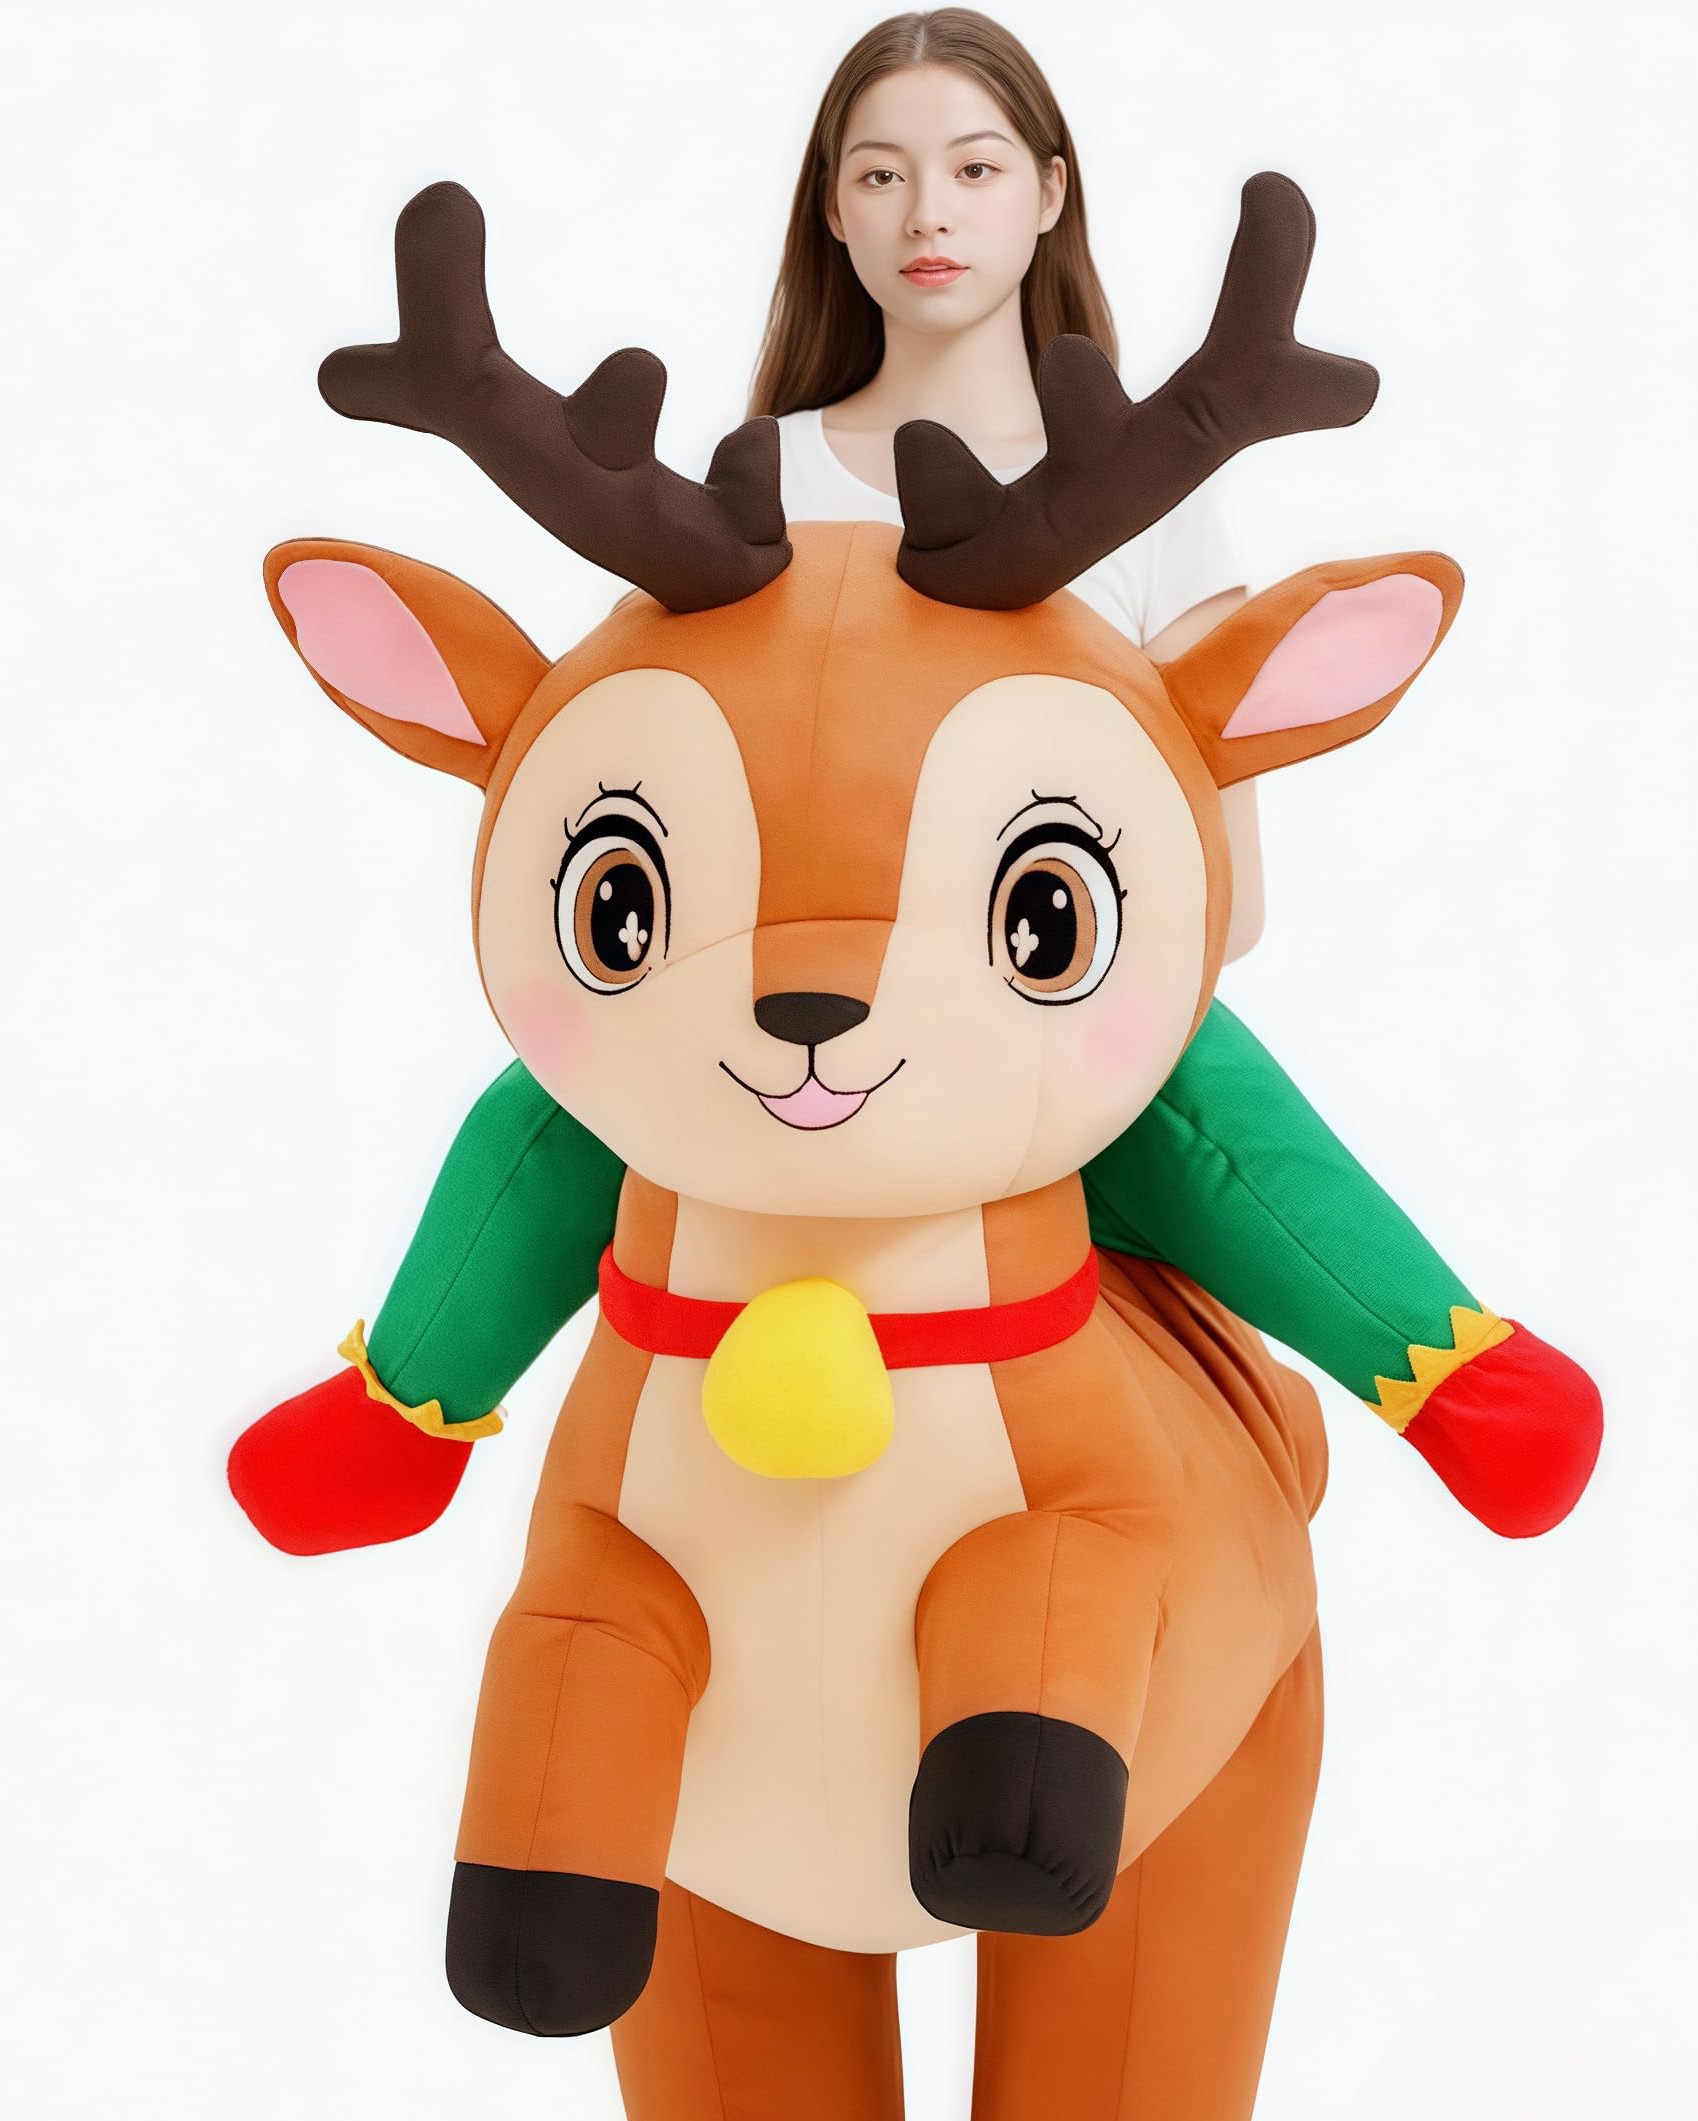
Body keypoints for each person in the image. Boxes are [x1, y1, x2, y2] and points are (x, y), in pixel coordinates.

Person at [232, 12, 1594, 1559]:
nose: (926, 213)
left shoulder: (1155, 513)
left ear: (1051, 191)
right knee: (557, 1092)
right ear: (831, 208)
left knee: (1213, 1093)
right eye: (880, 174)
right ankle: (400, 1415)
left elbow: (1231, 902)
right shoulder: (751, 479)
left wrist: (1004, 1009)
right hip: (752, 996)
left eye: (974, 168)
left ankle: (1450, 1375)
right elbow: (644, 768)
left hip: (1023, 1013)